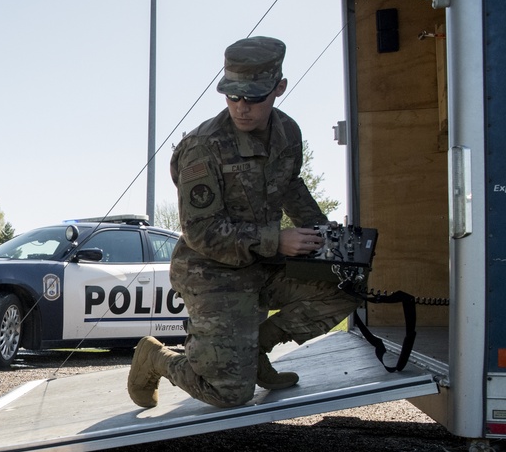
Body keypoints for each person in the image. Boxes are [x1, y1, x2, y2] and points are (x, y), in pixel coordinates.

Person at [127, 36, 360, 409]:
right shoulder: (203, 145)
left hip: (263, 265)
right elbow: (200, 231)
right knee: (229, 394)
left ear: (279, 88)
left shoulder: (288, 134)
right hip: (211, 271)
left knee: (348, 287)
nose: (241, 107)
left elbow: (292, 188)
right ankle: (156, 358)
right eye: (232, 96)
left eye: (253, 98)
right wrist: (277, 240)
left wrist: (327, 242)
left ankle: (253, 352)